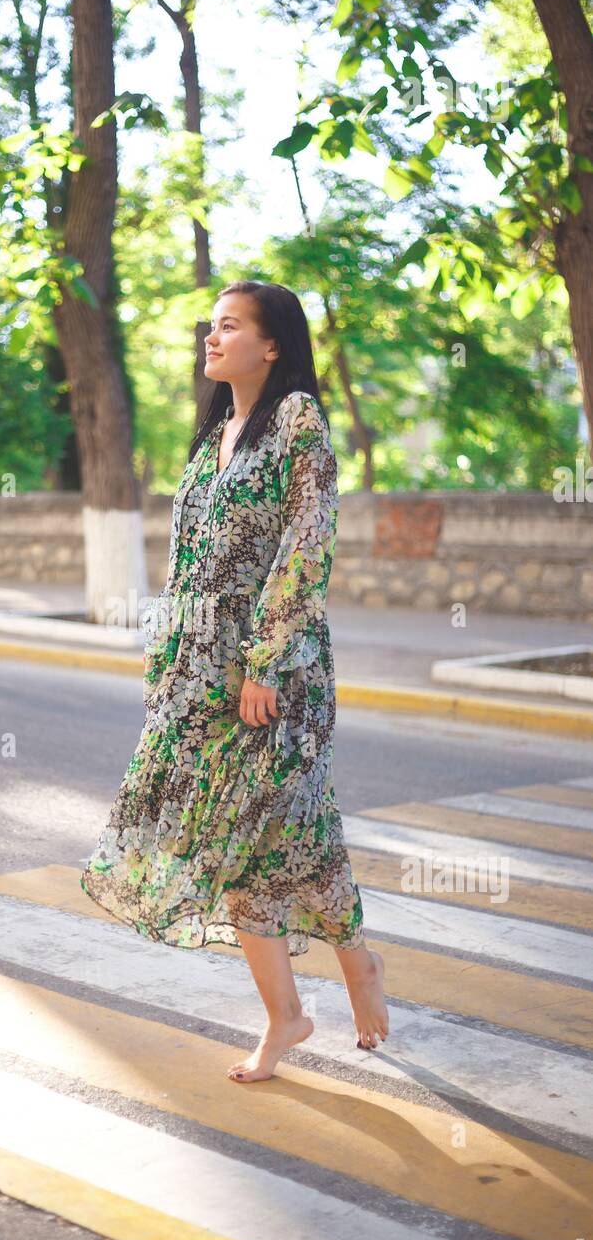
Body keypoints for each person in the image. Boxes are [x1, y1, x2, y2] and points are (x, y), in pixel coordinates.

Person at [80, 279, 388, 1081]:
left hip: (277, 678)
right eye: (208, 328)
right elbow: (188, 569)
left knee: (282, 837)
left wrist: (266, 663)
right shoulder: (215, 432)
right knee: (239, 848)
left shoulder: (297, 421)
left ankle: (355, 965)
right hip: (200, 676)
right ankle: (289, 1016)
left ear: (273, 343)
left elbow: (307, 543)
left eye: (228, 326)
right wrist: (166, 666)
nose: (210, 339)